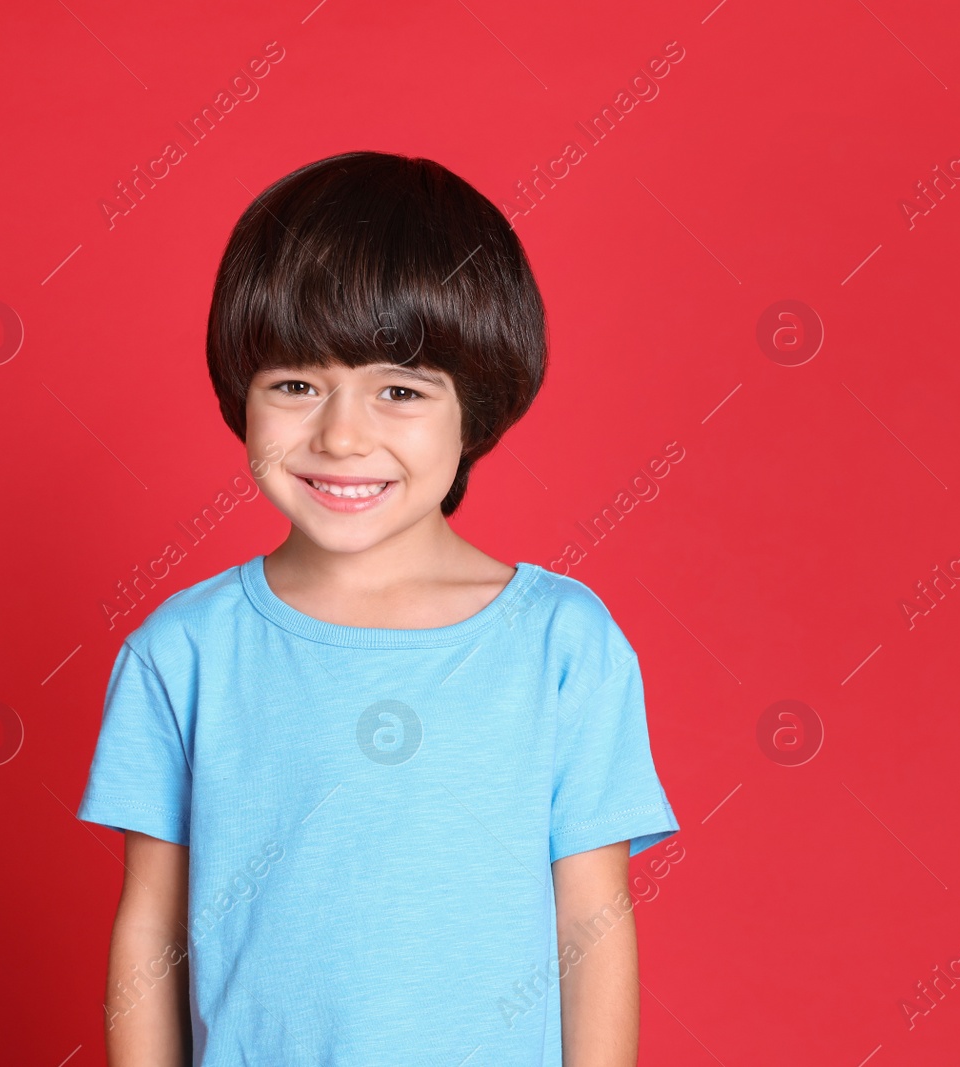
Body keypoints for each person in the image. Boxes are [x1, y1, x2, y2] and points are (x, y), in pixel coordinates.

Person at [75, 150, 681, 1066]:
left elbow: (591, 926)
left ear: (473, 407)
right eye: (295, 384)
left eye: (399, 390)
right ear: (242, 394)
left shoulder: (563, 642)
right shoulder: (184, 651)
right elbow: (150, 931)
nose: (342, 434)